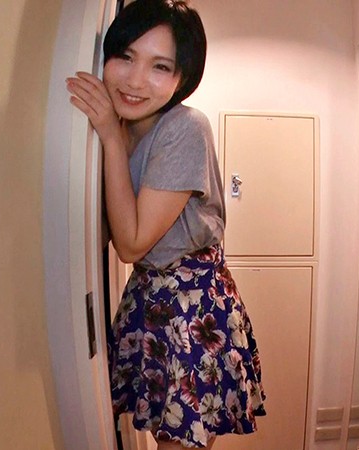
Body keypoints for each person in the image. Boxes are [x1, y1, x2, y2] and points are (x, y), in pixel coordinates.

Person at [65, 1, 266, 448]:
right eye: (126, 56)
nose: (135, 80)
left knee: (178, 443)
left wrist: (110, 136)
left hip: (191, 307)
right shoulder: (124, 131)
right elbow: (105, 231)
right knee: (164, 435)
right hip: (151, 299)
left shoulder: (184, 128)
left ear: (181, 79)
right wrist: (112, 136)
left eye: (160, 66)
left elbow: (131, 243)